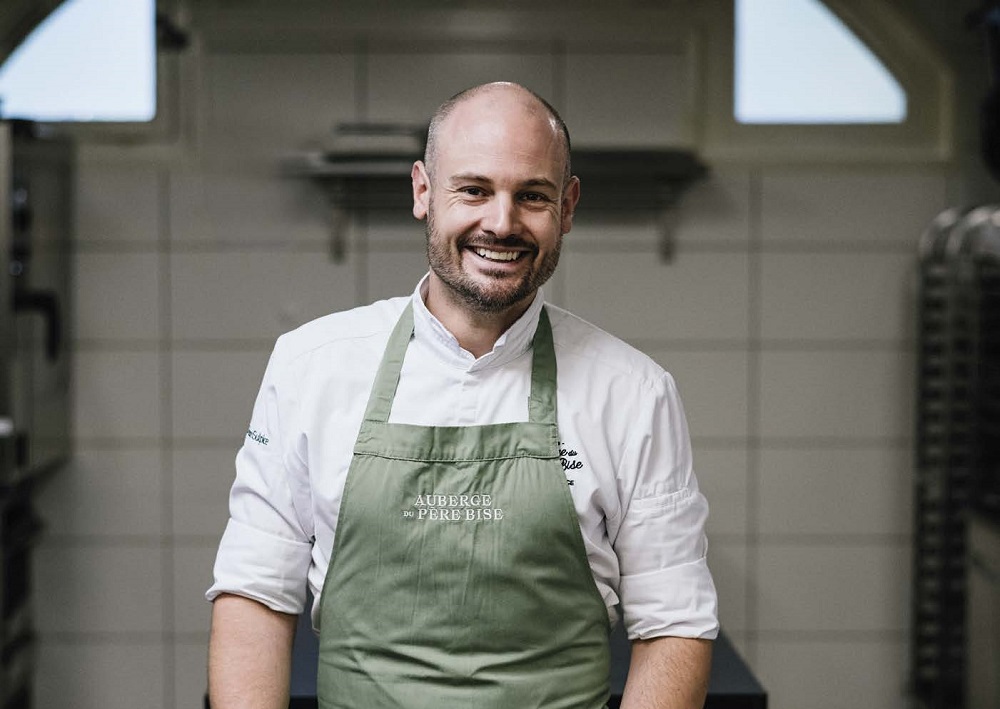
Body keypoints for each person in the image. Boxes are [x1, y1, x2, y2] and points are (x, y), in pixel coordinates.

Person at [206, 81, 718, 709]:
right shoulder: (311, 367)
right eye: (473, 190)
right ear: (423, 191)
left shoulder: (634, 393)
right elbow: (255, 594)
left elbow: (674, 622)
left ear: (569, 205)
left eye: (531, 195)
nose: (501, 223)